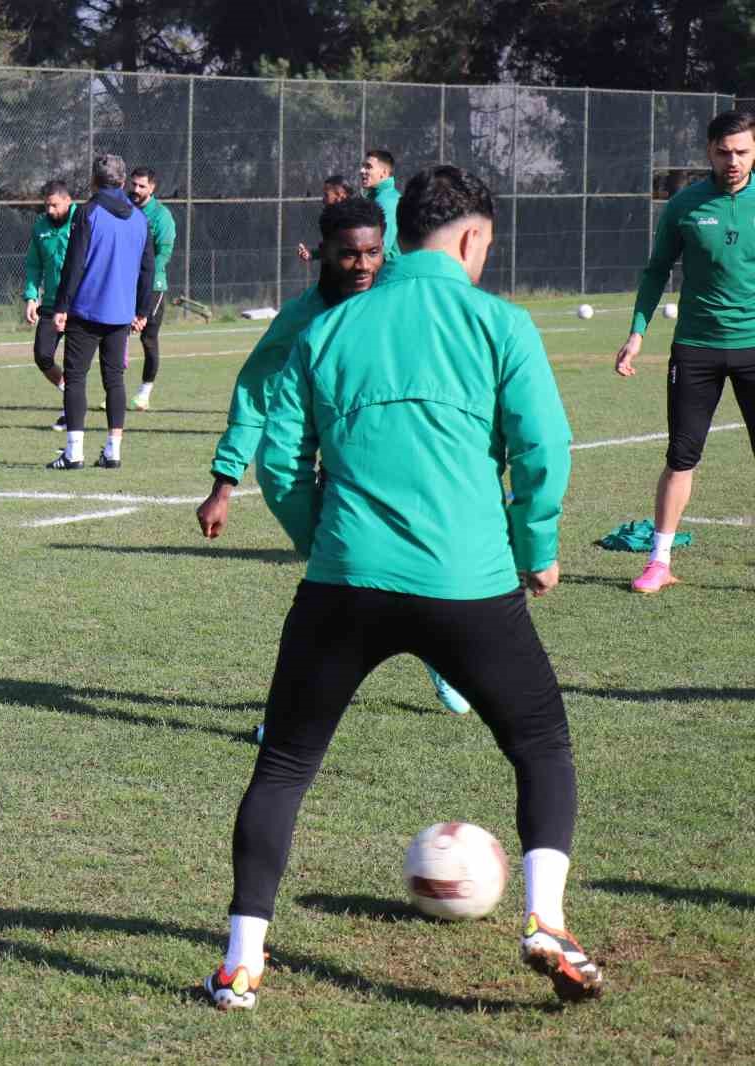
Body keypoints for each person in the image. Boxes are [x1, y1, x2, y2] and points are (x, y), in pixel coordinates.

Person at [201, 166, 602, 1011]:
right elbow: (543, 452)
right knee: (541, 747)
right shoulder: (499, 322)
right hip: (470, 583)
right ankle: (545, 922)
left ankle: (242, 960)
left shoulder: (331, 326)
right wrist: (539, 545)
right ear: (470, 239)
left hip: (344, 581)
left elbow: (281, 460)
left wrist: (328, 540)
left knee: (282, 767)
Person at [200, 197, 474, 716]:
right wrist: (224, 481)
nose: (364, 266)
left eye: (373, 252)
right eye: (350, 255)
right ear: (323, 251)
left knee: (431, 580)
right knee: (329, 607)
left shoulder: (406, 292)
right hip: (346, 481)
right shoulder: (305, 319)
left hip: (420, 469)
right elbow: (256, 391)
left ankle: (440, 659)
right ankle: (290, 718)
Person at [615, 110, 755, 594]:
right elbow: (656, 270)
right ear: (709, 151)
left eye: (742, 151)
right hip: (695, 349)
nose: (733, 161)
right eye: (723, 151)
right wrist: (637, 333)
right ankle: (658, 561)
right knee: (681, 457)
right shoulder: (685, 205)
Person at [46, 154, 154, 471]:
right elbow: (147, 268)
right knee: (115, 381)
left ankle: (74, 452)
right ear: (122, 182)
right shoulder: (139, 217)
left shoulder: (88, 212)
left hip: (86, 310)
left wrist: (62, 306)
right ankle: (113, 451)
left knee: (76, 379)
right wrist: (142, 309)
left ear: (93, 181)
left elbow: (74, 262)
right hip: (121, 313)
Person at [23, 179, 76, 432]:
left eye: (55, 205)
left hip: (79, 305)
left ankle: (71, 412)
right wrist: (31, 297)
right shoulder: (40, 227)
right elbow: (34, 265)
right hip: (52, 304)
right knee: (43, 356)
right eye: (47, 206)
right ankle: (70, 394)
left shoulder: (82, 221)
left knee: (75, 361)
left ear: (68, 201)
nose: (51, 211)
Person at [126, 166, 176, 412]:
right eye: (133, 184)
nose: (135, 190)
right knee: (114, 338)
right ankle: (114, 390)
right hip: (123, 283)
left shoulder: (161, 216)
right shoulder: (123, 208)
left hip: (152, 285)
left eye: (141, 186)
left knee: (148, 339)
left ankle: (144, 392)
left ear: (152, 188)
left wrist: (143, 280)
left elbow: (164, 253)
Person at [296, 174, 358, 261]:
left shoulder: (351, 220)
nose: (323, 199)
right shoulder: (332, 219)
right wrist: (311, 254)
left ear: (340, 196)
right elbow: (331, 249)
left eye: (326, 195)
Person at [359, 149, 401, 263]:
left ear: (384, 173)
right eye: (363, 166)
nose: (362, 171)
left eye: (368, 167)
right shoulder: (376, 198)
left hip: (389, 272)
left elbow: (382, 247)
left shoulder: (387, 202)